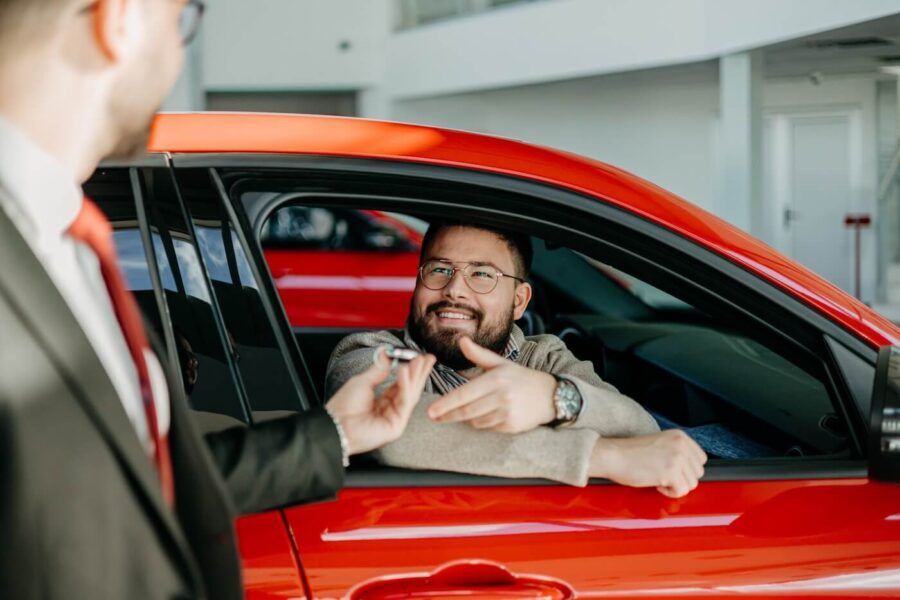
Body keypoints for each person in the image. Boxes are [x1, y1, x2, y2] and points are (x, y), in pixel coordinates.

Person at [0, 0, 434, 598]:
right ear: (119, 19)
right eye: (183, 20)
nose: (180, 55)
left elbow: (138, 495)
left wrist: (336, 434)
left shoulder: (65, 238)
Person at [327, 222, 707, 496]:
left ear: (520, 301)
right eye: (439, 270)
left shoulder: (543, 358)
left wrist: (556, 398)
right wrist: (600, 457)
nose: (455, 289)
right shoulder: (370, 352)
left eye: (482, 274)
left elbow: (639, 430)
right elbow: (392, 435)